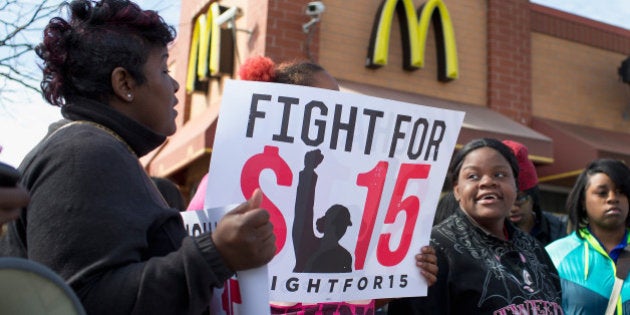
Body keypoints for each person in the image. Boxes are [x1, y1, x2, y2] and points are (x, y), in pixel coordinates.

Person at [0, 1, 276, 314]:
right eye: (163, 69)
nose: (174, 85)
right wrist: (216, 255)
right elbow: (84, 301)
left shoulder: (99, 147)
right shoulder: (83, 155)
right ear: (125, 83)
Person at [186, 55, 438, 314]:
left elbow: (356, 300)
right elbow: (196, 278)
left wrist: (404, 275)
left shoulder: (347, 190)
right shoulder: (222, 184)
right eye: (330, 104)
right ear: (291, 111)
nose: (343, 115)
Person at [388, 138, 563, 314]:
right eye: (473, 176)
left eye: (500, 174)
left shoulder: (534, 249)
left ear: (515, 186)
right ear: (457, 190)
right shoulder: (431, 251)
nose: (487, 182)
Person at [546, 159, 630, 314]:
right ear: (583, 201)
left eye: (621, 192)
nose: (613, 198)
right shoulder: (554, 255)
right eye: (602, 193)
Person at [502, 140, 567, 245]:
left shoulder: (559, 229)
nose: (513, 208)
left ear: (533, 197)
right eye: (506, 200)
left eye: (519, 199)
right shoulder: (490, 233)